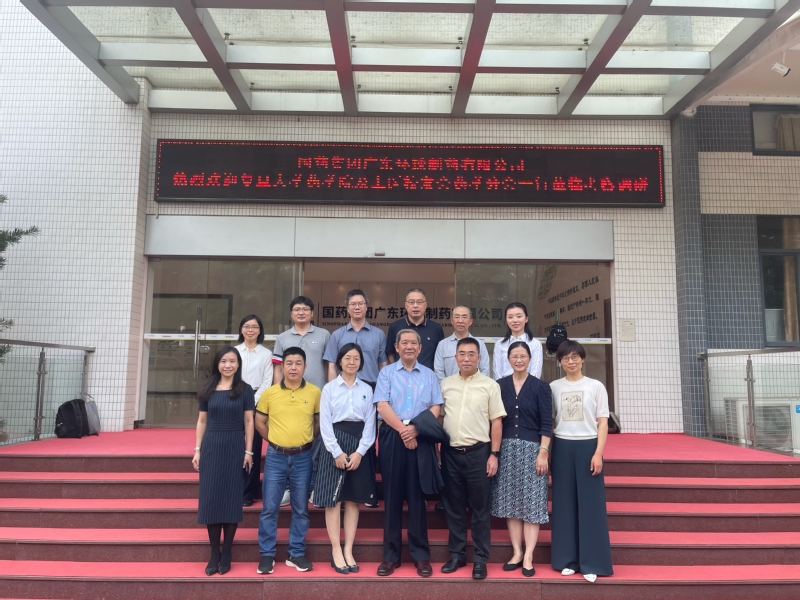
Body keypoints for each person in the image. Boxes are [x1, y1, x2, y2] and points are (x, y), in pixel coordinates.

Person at [374, 329, 444, 578]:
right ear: (396, 346)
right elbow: (382, 405)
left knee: (417, 497)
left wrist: (416, 429)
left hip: (420, 435)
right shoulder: (386, 373)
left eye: (414, 343)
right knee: (392, 496)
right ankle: (390, 556)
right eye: (404, 343)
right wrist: (405, 431)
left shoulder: (429, 374)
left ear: (420, 348)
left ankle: (421, 555)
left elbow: (436, 405)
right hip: (393, 434)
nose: (409, 346)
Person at [439, 337, 506, 580]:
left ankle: (480, 559)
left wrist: (494, 454)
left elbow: (496, 422)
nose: (466, 358)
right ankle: (457, 555)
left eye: (471, 354)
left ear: (479, 358)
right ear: (455, 357)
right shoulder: (445, 384)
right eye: (462, 354)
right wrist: (437, 450)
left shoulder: (490, 386)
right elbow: (439, 418)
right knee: (454, 508)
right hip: (450, 454)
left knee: (480, 509)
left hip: (479, 453)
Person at [549, 340, 613, 583]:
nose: (571, 361)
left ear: (582, 359)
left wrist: (598, 453)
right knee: (563, 504)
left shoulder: (595, 386)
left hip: (588, 446)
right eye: (566, 358)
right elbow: (550, 421)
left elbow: (603, 422)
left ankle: (592, 562)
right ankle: (567, 560)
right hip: (562, 446)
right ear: (560, 362)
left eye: (575, 357)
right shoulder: (554, 387)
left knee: (591, 505)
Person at [255, 347, 321, 575]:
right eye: (289, 363)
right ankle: (267, 554)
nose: (293, 367)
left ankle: (296, 552)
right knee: (269, 507)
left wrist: (305, 441)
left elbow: (317, 422)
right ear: (282, 366)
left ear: (305, 366)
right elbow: (259, 422)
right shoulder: (270, 393)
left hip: (303, 457)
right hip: (276, 457)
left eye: (298, 363)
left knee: (301, 508)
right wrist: (275, 441)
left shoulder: (315, 392)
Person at [314, 343, 377, 574]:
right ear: (340, 361)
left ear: (361, 362)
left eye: (356, 358)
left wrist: (360, 452)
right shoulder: (329, 388)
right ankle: (336, 550)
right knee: (334, 500)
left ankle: (348, 549)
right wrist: (336, 452)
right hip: (335, 443)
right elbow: (325, 423)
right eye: (347, 358)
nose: (352, 362)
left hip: (360, 444)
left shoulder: (367, 389)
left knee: (353, 499)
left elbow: (370, 423)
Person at [491, 341, 552, 577]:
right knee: (511, 503)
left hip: (533, 451)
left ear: (530, 359)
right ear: (508, 359)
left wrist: (543, 452)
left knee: (532, 503)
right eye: (515, 356)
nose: (519, 360)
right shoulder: (499, 386)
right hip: (506, 450)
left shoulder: (541, 387)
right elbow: (495, 420)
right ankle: (517, 552)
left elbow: (546, 422)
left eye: (523, 356)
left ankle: (529, 555)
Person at [192, 346, 254, 576]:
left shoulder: (245, 390)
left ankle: (227, 551)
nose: (228, 365)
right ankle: (214, 553)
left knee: (230, 498)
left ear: (238, 364)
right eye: (224, 361)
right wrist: (197, 450)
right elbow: (202, 421)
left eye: (232, 361)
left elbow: (249, 422)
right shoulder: (208, 389)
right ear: (217, 364)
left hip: (235, 445)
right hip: (211, 446)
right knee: (211, 498)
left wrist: (249, 452)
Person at [272, 296, 331, 507]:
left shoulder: (324, 335)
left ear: (312, 313)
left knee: (316, 444)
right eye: (297, 309)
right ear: (291, 314)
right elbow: (278, 368)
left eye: (305, 309)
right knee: (290, 443)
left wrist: (329, 392)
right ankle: (289, 489)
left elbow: (330, 366)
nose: (301, 312)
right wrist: (277, 394)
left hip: (317, 397)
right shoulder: (282, 338)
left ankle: (313, 488)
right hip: (290, 398)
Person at [235, 314, 273, 507]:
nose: (250, 330)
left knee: (253, 447)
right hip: (233, 399)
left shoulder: (266, 354)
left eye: (254, 327)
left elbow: (267, 382)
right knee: (234, 445)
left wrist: (251, 401)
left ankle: (248, 492)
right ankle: (232, 488)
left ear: (260, 331)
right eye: (247, 326)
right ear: (241, 329)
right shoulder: (234, 352)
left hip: (257, 401)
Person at [324, 288, 387, 389]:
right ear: (347, 308)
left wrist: (384, 389)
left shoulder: (379, 334)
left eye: (361, 304)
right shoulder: (337, 335)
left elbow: (383, 364)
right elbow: (332, 365)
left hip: (372, 387)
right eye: (353, 304)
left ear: (366, 307)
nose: (357, 307)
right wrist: (333, 390)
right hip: (343, 387)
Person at [386, 288, 444, 371]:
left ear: (425, 305)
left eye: (419, 302)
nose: (415, 306)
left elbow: (440, 356)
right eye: (411, 302)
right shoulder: (395, 327)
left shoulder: (436, 329)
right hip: (400, 375)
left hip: (427, 376)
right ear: (406, 305)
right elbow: (390, 353)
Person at [434, 305, 490, 381]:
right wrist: (447, 386)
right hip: (450, 387)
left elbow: (485, 370)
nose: (460, 321)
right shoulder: (442, 345)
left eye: (464, 317)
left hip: (475, 387)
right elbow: (438, 371)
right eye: (457, 317)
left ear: (470, 321)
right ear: (452, 321)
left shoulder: (480, 344)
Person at [493, 302, 543, 380]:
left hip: (529, 386)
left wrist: (528, 386)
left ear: (526, 319)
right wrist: (501, 385)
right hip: (503, 386)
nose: (515, 320)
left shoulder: (535, 344)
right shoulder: (500, 344)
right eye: (510, 317)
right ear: (506, 320)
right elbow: (497, 372)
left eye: (519, 316)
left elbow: (535, 372)